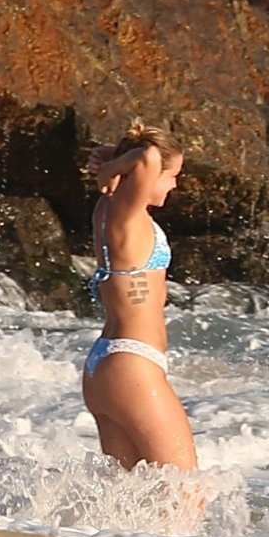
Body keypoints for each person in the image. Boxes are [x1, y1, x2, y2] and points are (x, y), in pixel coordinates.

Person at [83, 122, 197, 472]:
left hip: (105, 364)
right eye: (173, 175)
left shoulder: (108, 208)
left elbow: (143, 159)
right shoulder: (127, 215)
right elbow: (148, 157)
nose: (175, 184)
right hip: (133, 363)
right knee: (187, 490)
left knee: (132, 495)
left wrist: (112, 158)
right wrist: (111, 166)